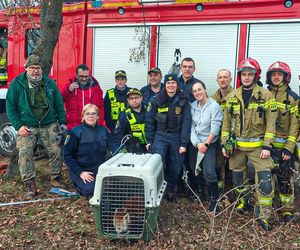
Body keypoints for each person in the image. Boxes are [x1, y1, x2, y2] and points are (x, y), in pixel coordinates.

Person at [221, 58, 277, 231]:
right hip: (237, 147)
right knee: (237, 178)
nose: (246, 77)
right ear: (240, 76)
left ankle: (263, 216)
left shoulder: (267, 96)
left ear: (256, 76)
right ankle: (242, 201)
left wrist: (267, 146)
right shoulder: (232, 97)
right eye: (243, 74)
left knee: (266, 181)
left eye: (250, 74)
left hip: (259, 148)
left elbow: (271, 123)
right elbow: (226, 123)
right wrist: (225, 144)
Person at [6, 54, 67, 198]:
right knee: (24, 152)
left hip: (49, 123)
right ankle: (29, 183)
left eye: (38, 68)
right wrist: (18, 126)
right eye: (32, 68)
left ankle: (56, 178)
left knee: (56, 149)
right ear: (26, 68)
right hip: (27, 125)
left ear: (42, 69)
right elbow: (10, 106)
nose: (35, 71)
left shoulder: (49, 83)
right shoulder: (17, 83)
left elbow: (59, 103)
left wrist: (62, 122)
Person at [145, 74, 191, 202]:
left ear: (177, 85)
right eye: (168, 83)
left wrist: (184, 143)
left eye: (174, 83)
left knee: (176, 165)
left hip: (176, 137)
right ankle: (157, 190)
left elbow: (187, 122)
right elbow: (149, 121)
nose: (171, 85)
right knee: (159, 164)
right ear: (165, 85)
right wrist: (149, 141)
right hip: (160, 136)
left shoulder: (183, 99)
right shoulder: (156, 99)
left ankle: (170, 190)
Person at [266, 61, 299, 222]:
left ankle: (286, 209)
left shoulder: (293, 98)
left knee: (285, 180)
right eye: (273, 74)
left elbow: (295, 126)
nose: (276, 77)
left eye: (279, 74)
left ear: (286, 77)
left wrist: (289, 148)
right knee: (266, 180)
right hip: (267, 147)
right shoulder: (264, 95)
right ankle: (268, 208)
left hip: (285, 148)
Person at [64, 104, 111, 197]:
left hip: (99, 169)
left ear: (98, 116)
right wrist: (80, 172)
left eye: (93, 113)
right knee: (91, 191)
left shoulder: (104, 130)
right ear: (83, 116)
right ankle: (78, 183)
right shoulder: (75, 132)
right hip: (82, 170)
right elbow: (67, 156)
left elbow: (113, 145)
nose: (91, 116)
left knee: (109, 188)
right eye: (87, 113)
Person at [190, 81, 223, 212]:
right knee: (195, 169)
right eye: (194, 91)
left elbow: (215, 127)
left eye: (199, 89)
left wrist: (206, 144)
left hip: (209, 143)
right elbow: (191, 127)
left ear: (205, 89)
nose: (197, 93)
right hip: (196, 142)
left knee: (209, 171)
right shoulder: (192, 106)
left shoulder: (214, 106)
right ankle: (201, 192)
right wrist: (197, 143)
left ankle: (215, 197)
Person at [178, 57, 200, 199]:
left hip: (193, 129)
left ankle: (194, 190)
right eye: (185, 66)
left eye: (190, 66)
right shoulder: (173, 83)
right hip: (176, 129)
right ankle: (180, 188)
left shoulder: (197, 85)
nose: (187, 69)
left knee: (192, 163)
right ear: (181, 68)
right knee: (178, 161)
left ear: (194, 68)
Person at [62, 64, 104, 130]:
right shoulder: (69, 85)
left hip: (92, 126)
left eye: (86, 76)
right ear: (76, 75)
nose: (84, 78)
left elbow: (101, 107)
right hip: (73, 127)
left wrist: (99, 124)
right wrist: (69, 90)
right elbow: (60, 101)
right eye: (81, 76)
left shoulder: (95, 87)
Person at [211, 69, 233, 191]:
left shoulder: (236, 96)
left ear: (230, 79)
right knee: (218, 165)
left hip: (232, 139)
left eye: (225, 77)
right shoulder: (213, 98)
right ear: (217, 80)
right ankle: (220, 190)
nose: (223, 79)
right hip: (217, 138)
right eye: (220, 77)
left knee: (233, 166)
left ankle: (231, 191)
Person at [113, 88, 147, 153]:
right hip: (134, 148)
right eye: (131, 98)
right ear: (128, 100)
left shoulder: (149, 110)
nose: (134, 100)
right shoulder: (124, 114)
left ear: (141, 98)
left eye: (136, 98)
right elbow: (118, 134)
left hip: (150, 144)